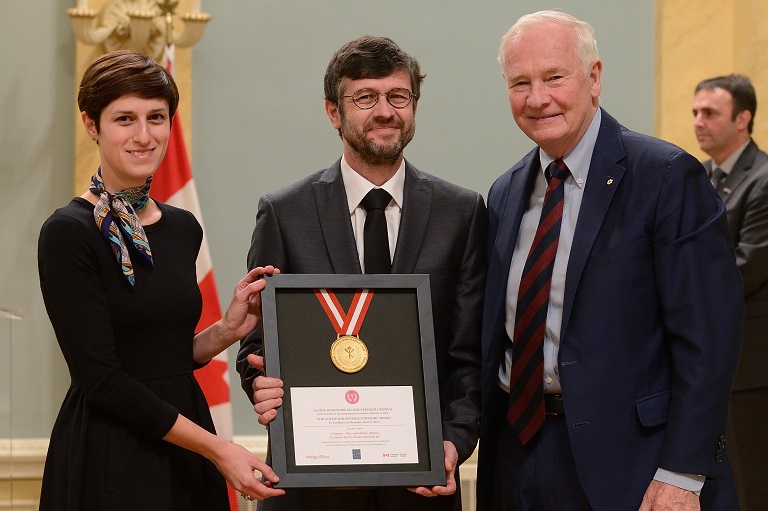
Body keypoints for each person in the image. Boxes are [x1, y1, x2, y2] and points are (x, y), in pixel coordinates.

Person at [477, 10, 743, 511]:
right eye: (520, 82)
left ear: (594, 78)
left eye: (555, 77)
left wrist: (683, 473)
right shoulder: (506, 192)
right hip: (518, 458)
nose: (538, 98)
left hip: (637, 467)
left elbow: (709, 339)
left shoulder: (666, 177)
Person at [236, 35, 486, 511]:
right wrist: (258, 385)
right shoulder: (285, 213)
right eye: (365, 98)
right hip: (311, 488)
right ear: (334, 112)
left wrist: (453, 442)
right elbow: (256, 347)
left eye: (398, 96)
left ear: (413, 106)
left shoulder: (462, 212)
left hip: (421, 487)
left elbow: (468, 354)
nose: (385, 111)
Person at [37, 49, 284, 510]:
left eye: (157, 117)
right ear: (92, 125)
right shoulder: (67, 233)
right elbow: (103, 378)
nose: (144, 135)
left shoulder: (182, 226)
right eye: (124, 119)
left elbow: (162, 358)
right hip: (111, 455)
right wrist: (219, 450)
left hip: (186, 449)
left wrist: (227, 331)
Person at [693, 74, 768, 510]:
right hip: (707, 360)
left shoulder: (762, 179)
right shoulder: (700, 175)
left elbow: (746, 268)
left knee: (751, 482)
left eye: (710, 113)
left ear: (743, 119)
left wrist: (675, 291)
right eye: (695, 113)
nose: (699, 122)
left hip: (750, 368)